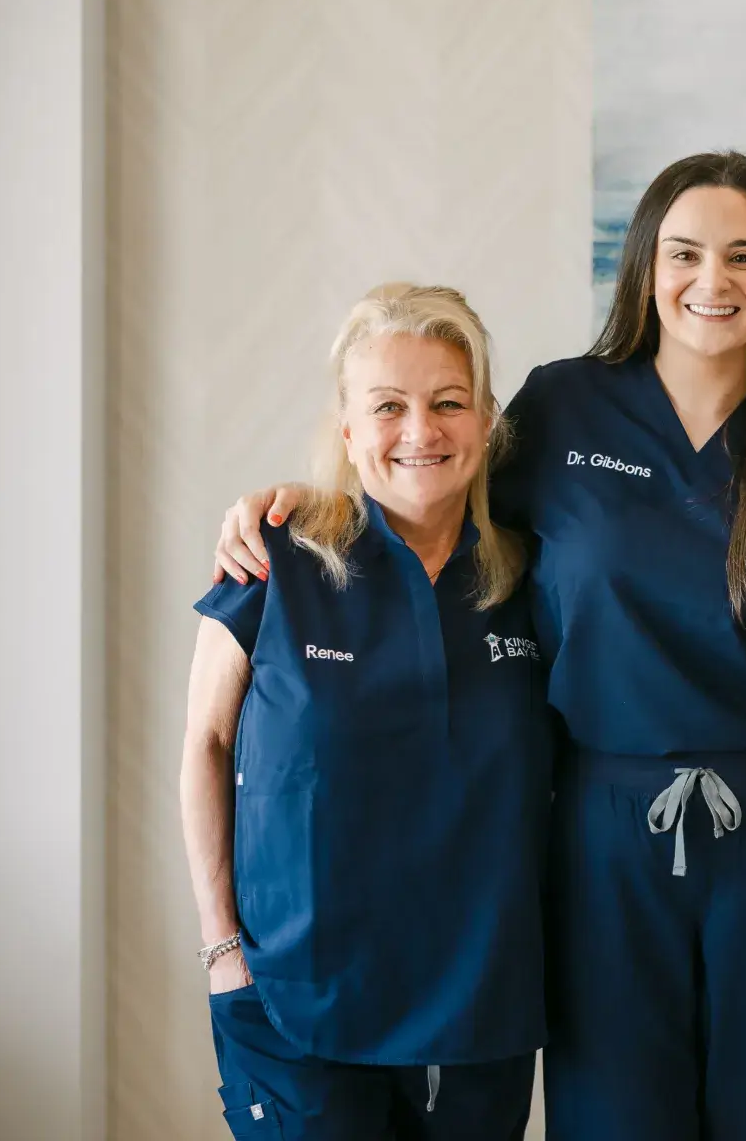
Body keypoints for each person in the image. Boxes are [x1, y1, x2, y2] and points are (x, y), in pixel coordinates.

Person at [210, 153, 746, 1141]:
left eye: (744, 256)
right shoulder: (563, 408)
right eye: (685, 253)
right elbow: (434, 486)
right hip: (600, 825)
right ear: (647, 268)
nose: (713, 280)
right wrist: (303, 502)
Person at [180, 284, 553, 1138]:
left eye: (448, 403)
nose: (420, 432)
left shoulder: (536, 576)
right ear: (348, 428)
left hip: (479, 1008)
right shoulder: (272, 559)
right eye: (388, 407)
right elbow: (204, 745)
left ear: (488, 420)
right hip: (295, 998)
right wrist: (221, 951)